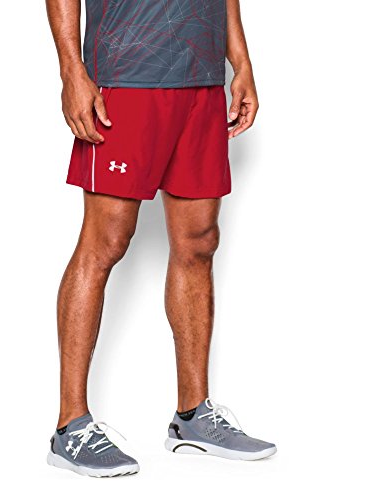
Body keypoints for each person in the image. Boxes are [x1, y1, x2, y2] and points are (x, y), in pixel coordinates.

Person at [45, 0, 276, 477]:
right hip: (126, 75)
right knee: (106, 241)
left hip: (201, 80)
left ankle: (193, 416)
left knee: (199, 240)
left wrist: (241, 62)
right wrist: (71, 70)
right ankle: (71, 426)